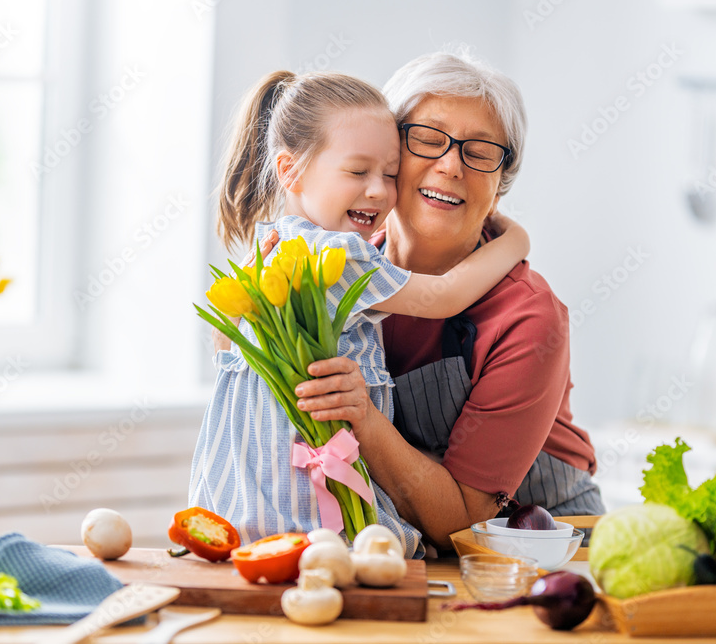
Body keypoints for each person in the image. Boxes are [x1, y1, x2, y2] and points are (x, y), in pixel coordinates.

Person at [188, 69, 530, 558]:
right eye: (357, 172)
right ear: (291, 171)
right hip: (304, 505)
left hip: (244, 496)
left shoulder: (270, 247)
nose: (378, 191)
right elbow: (445, 296)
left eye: (389, 174)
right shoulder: (338, 256)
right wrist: (516, 239)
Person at [290, 51, 604, 550]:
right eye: (428, 139)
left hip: (539, 551)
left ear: (500, 186)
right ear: (391, 156)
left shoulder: (527, 315)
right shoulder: (335, 274)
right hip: (408, 548)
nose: (451, 165)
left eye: (480, 152)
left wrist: (364, 417)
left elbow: (464, 520)